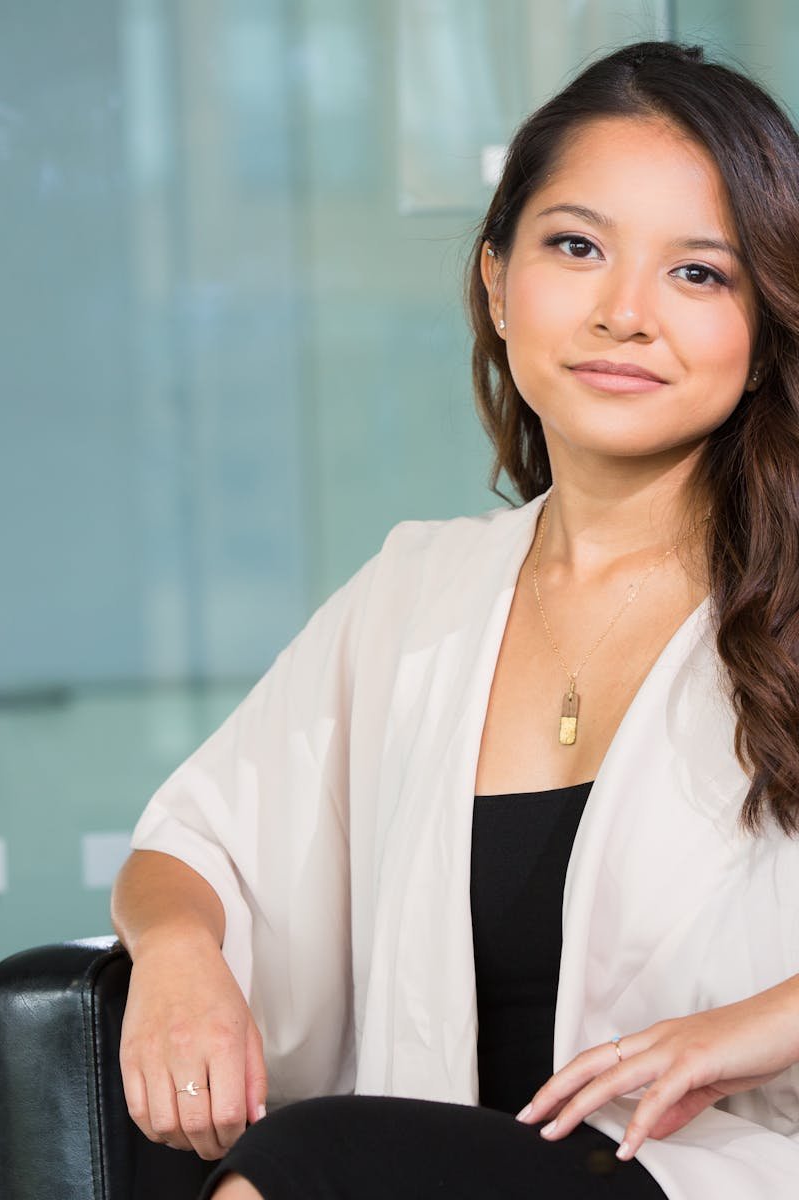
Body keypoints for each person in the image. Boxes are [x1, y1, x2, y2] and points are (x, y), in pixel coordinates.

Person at [111, 41, 799, 1200]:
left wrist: (760, 1023)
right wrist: (176, 956)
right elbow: (192, 842)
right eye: (575, 247)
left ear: (765, 318)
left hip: (716, 1177)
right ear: (494, 279)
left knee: (310, 1160)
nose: (623, 313)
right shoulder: (416, 594)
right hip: (429, 1167)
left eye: (699, 273)